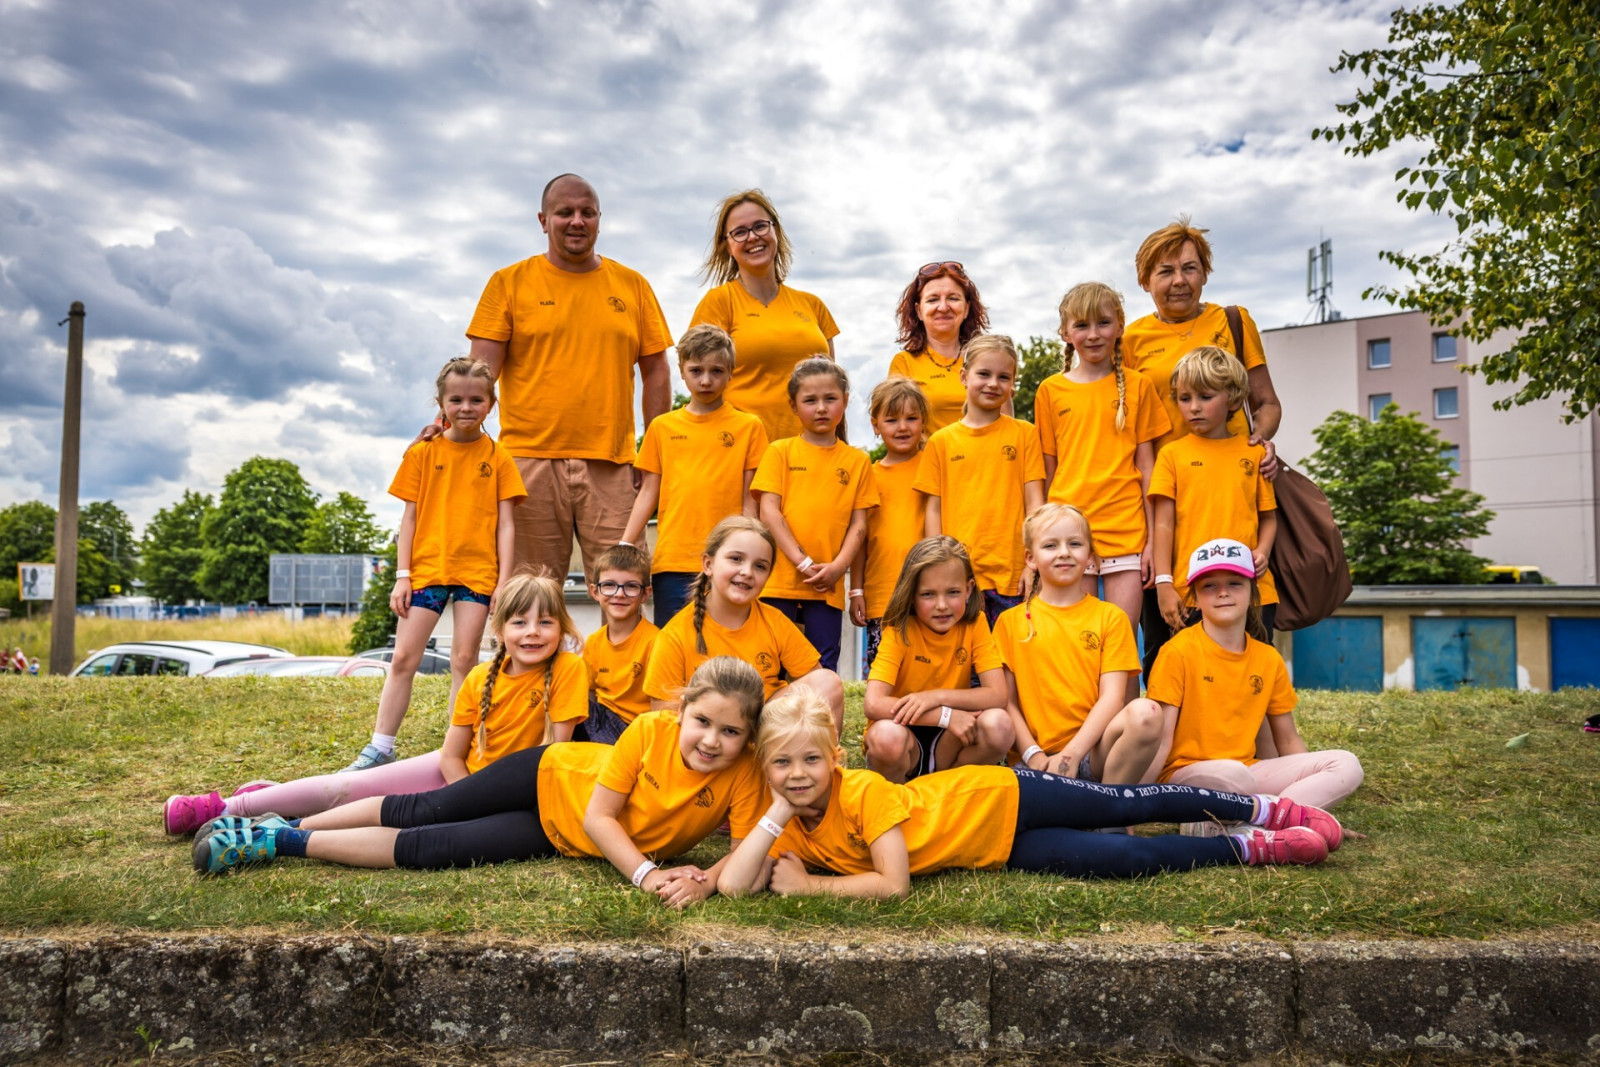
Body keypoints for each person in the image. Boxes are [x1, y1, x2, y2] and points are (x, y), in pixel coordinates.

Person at [194, 658, 770, 911]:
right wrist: (647, 875)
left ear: (748, 737)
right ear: (681, 711)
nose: (711, 741)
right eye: (702, 721)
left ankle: (277, 841)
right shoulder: (649, 730)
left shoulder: (744, 772)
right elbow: (600, 818)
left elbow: (745, 852)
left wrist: (702, 883)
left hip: (559, 836)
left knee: (432, 849)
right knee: (427, 809)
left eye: (730, 731)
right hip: (546, 775)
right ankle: (283, 823)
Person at [716, 684, 1339, 900]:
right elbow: (736, 883)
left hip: (1002, 795)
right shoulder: (783, 816)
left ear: (835, 759)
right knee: (1127, 859)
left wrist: (812, 887)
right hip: (998, 848)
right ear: (764, 769)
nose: (798, 775)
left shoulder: (863, 792)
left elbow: (893, 884)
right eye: (781, 765)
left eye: (810, 761)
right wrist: (776, 812)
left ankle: (1269, 809)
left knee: (1128, 805)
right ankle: (1254, 848)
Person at [162, 573, 585, 834]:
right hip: (457, 777)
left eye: (545, 622)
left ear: (561, 627)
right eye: (520, 622)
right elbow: (452, 755)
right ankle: (227, 806)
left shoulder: (567, 670)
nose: (533, 632)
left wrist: (470, 804)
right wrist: (466, 796)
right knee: (346, 788)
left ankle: (271, 812)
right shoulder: (479, 677)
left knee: (374, 816)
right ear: (500, 630)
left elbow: (553, 756)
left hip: (501, 795)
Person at [465, 173, 672, 580]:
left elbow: (657, 371)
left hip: (614, 466)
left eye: (587, 212)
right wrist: (450, 429)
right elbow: (478, 376)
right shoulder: (508, 283)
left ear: (599, 220)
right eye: (565, 213)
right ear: (543, 220)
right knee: (528, 593)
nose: (577, 221)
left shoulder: (633, 286)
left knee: (624, 587)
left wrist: (654, 451)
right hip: (527, 463)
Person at [1122, 216, 1285, 684]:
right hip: (1163, 495)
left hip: (1231, 488)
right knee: (1169, 644)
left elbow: (1267, 403)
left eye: (1189, 268)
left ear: (1205, 273)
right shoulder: (1130, 340)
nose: (1179, 280)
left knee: (1244, 643)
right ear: (1145, 281)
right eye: (1165, 271)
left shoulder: (1232, 321)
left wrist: (1259, 444)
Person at [345, 357, 525, 772]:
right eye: (456, 399)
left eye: (476, 400)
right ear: (441, 403)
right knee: (403, 659)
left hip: (477, 575)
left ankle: (454, 751)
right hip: (425, 573)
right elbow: (408, 519)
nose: (466, 407)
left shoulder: (499, 458)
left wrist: (504, 582)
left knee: (464, 661)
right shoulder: (423, 453)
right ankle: (380, 747)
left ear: (491, 404)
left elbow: (507, 525)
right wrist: (402, 576)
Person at [1148, 538, 1363, 832]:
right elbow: (1161, 741)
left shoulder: (1267, 658)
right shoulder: (1177, 651)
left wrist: (1309, 788)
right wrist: (1137, 806)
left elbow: (1288, 740)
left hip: (1248, 773)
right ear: (1195, 597)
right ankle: (1283, 819)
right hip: (1185, 775)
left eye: (1234, 583)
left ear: (1252, 592)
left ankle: (1265, 824)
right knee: (1236, 777)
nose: (1223, 592)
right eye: (1209, 585)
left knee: (1346, 764)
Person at [1036, 283, 1169, 657]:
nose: (1093, 334)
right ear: (1066, 333)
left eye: (1103, 323)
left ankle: (1125, 702)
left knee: (1120, 644)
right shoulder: (1050, 390)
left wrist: (1152, 542)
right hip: (1069, 535)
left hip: (1126, 531)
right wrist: (1042, 538)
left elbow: (1147, 467)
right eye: (1082, 325)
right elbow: (1048, 471)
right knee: (1078, 645)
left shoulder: (1139, 386)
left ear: (1120, 326)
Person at [996, 504, 1164, 786]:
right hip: (1036, 761)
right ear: (1030, 559)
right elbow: (1007, 701)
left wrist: (1071, 756)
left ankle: (1109, 806)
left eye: (1074, 544)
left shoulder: (1111, 617)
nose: (1064, 552)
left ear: (1090, 558)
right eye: (1050, 545)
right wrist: (1035, 756)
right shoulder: (1009, 622)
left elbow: (1113, 698)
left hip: (1093, 753)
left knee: (1147, 713)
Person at [622, 324, 767, 626]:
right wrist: (625, 543)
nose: (706, 380)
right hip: (673, 561)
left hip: (729, 560)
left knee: (724, 643)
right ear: (682, 370)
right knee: (674, 644)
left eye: (716, 371)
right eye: (696, 370)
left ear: (731, 373)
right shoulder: (662, 427)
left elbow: (750, 499)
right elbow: (648, 491)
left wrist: (748, 550)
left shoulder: (749, 427)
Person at [643, 516, 845, 732]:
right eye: (736, 559)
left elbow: (816, 684)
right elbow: (664, 718)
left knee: (828, 682)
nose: (747, 572)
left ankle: (821, 754)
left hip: (765, 731)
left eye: (760, 566)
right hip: (712, 736)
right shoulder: (674, 635)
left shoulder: (775, 621)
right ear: (708, 564)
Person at [1149, 348, 1279, 660]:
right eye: (1184, 398)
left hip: (1253, 590)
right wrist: (1164, 583)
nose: (1193, 407)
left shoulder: (1254, 454)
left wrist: (1263, 550)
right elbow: (1163, 523)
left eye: (1205, 397)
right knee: (1195, 673)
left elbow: (1268, 517)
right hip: (1191, 590)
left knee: (1254, 667)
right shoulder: (1171, 455)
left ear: (1233, 400)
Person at [752, 359, 878, 672]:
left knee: (822, 669)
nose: (821, 408)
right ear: (793, 406)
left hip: (826, 588)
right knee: (769, 667)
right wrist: (802, 562)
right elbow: (769, 512)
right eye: (810, 400)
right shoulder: (779, 451)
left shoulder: (858, 461)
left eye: (830, 399)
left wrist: (838, 568)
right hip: (778, 582)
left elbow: (859, 526)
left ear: (845, 401)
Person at [915, 334, 1045, 627]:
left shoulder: (1025, 434)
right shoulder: (940, 442)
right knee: (964, 655)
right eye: (984, 374)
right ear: (964, 376)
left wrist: (1034, 563)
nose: (993, 383)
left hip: (1014, 577)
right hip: (960, 580)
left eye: (1003, 377)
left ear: (1012, 384)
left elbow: (1036, 505)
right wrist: (939, 567)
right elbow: (933, 510)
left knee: (1014, 653)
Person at [688, 190, 839, 442]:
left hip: (810, 453)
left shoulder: (813, 305)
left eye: (760, 226)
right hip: (741, 451)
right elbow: (699, 387)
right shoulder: (718, 303)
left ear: (775, 231)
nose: (752, 237)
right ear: (727, 246)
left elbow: (833, 389)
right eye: (740, 232)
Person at [861, 537, 1013, 783]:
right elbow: (874, 703)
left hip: (952, 739)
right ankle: (899, 794)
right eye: (928, 594)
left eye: (953, 592)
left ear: (969, 589)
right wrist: (945, 715)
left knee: (1000, 725)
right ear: (911, 594)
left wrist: (936, 697)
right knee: (886, 737)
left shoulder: (975, 623)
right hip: (904, 734)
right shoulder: (899, 629)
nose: (941, 605)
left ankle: (945, 790)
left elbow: (997, 695)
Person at [849, 376, 929, 668]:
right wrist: (856, 590)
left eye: (911, 418)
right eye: (892, 420)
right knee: (885, 675)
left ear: (923, 422)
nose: (902, 427)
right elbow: (860, 540)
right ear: (875, 425)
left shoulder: (933, 466)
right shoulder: (868, 475)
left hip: (928, 592)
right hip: (883, 594)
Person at [887, 262, 992, 434]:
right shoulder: (904, 363)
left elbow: (1006, 425)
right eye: (933, 299)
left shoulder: (989, 361)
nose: (943, 307)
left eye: (953, 298)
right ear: (919, 310)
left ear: (966, 308)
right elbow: (897, 431)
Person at [580, 544, 659, 745]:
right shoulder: (594, 642)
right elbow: (588, 693)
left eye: (631, 586)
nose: (619, 594)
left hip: (637, 729)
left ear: (645, 594)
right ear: (595, 591)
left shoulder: (656, 641)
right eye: (609, 585)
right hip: (601, 721)